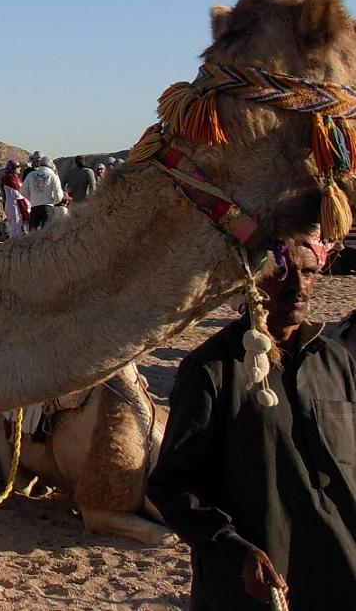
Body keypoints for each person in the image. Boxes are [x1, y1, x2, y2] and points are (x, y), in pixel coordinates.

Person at [146, 239, 356, 610]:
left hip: (340, 574)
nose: (298, 285)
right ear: (251, 280)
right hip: (254, 588)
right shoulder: (212, 369)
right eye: (282, 273)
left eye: (308, 272)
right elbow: (170, 486)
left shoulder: (336, 363)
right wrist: (233, 548)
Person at [22, 153, 64, 230]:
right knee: (46, 232)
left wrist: (32, 199)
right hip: (47, 207)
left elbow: (23, 191)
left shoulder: (31, 174)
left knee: (33, 232)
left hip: (34, 208)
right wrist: (53, 201)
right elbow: (58, 194)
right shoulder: (53, 175)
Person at [0, 160, 30, 237]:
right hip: (13, 206)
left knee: (21, 226)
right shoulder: (9, 179)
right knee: (15, 227)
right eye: (18, 167)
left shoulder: (16, 178)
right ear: (13, 168)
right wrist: (27, 198)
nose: (20, 168)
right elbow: (16, 194)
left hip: (19, 205)